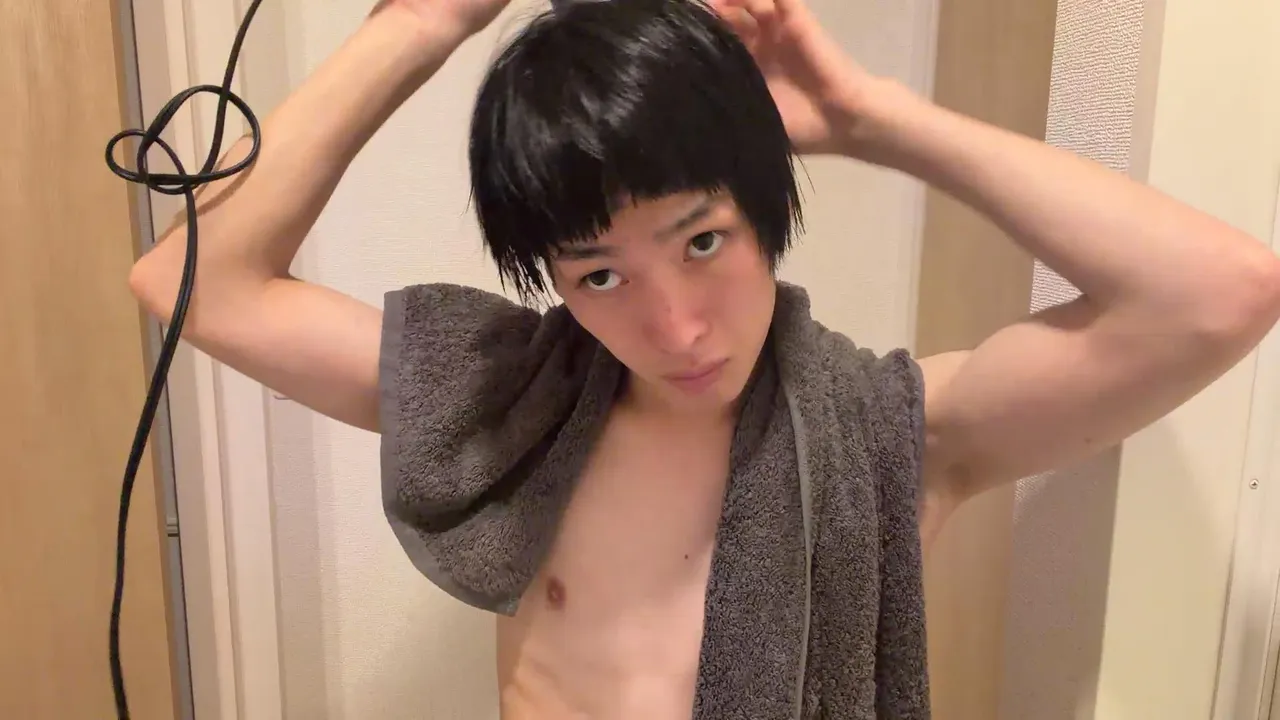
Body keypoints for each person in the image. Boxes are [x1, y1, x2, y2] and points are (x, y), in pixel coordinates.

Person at [128, 0, 1280, 716]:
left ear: (765, 208)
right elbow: (191, 283)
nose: (675, 327)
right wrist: (418, 25)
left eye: (701, 241)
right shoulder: (506, 407)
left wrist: (874, 120)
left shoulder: (891, 436)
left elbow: (1222, 293)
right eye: (599, 276)